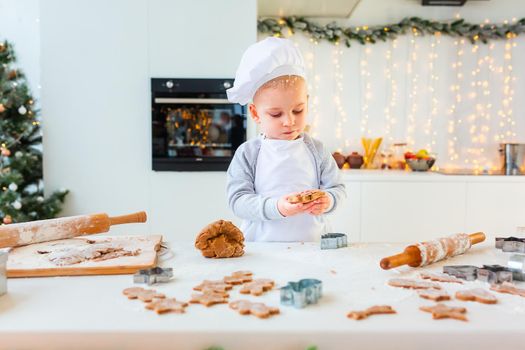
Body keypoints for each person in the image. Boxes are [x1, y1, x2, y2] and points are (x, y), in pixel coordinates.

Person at [226, 37, 345, 242]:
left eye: (298, 110)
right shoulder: (248, 153)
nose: (289, 121)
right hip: (261, 248)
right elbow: (238, 201)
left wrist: (329, 200)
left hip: (314, 245)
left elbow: (337, 189)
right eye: (275, 114)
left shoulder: (316, 150)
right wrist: (277, 207)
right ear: (255, 113)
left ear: (306, 103)